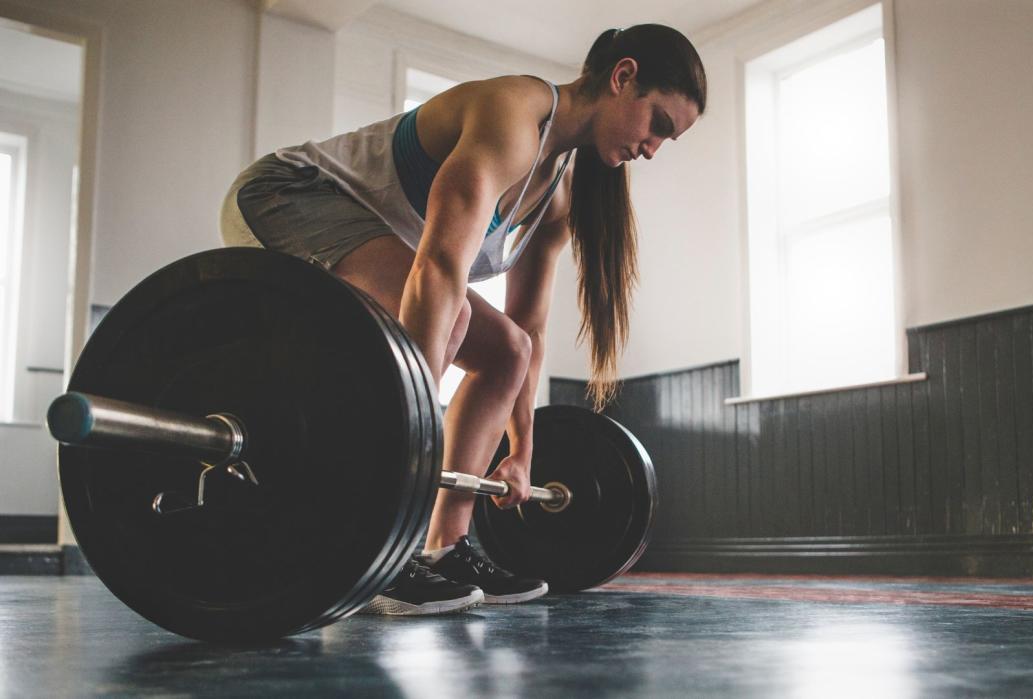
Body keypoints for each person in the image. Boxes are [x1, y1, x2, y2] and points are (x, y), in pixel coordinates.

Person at [219, 25, 706, 615]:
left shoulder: (555, 196)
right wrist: (414, 431)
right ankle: (379, 549)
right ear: (623, 77)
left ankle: (446, 547)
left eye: (666, 139)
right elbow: (438, 271)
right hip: (286, 195)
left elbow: (528, 329)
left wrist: (523, 448)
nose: (652, 149)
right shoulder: (512, 114)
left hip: (376, 244)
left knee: (507, 350)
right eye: (658, 124)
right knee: (443, 326)